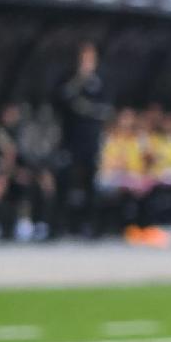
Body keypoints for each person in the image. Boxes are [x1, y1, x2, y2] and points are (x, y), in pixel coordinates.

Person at [56, 42, 111, 239]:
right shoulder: (69, 79)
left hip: (91, 140)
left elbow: (105, 109)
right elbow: (62, 99)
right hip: (71, 140)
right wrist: (79, 80)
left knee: (90, 184)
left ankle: (89, 226)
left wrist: (85, 108)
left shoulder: (100, 82)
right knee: (65, 181)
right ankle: (61, 226)